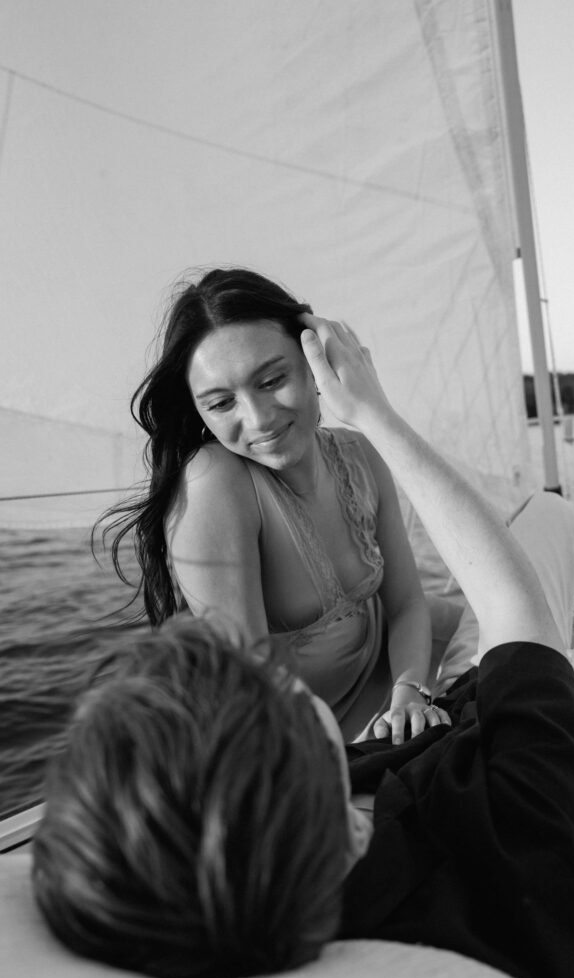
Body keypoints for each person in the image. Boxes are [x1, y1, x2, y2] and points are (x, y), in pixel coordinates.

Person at [35, 318, 574, 978]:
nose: (249, 677)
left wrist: (409, 689)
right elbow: (515, 609)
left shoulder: (321, 857)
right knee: (565, 555)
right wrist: (376, 413)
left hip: (459, 716)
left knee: (549, 583)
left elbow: (416, 610)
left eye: (272, 379)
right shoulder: (537, 846)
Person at [102, 267, 447, 743]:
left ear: (314, 362)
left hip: (394, 676)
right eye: (221, 403)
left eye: (271, 380)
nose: (258, 419)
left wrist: (410, 693)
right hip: (294, 729)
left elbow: (407, 603)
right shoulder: (213, 481)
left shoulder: (361, 453)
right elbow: (253, 689)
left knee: (521, 599)